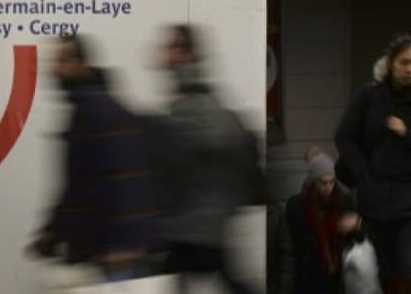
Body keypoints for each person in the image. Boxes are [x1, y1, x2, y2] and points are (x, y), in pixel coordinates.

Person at [28, 35, 171, 282]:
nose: (53, 68)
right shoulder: (88, 111)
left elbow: (128, 179)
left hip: (118, 254)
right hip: (107, 250)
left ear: (81, 64)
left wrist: (125, 246)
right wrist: (53, 233)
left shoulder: (99, 114)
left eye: (61, 60)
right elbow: (78, 186)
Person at [157, 24, 262, 294]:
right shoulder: (193, 97)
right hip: (200, 221)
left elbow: (209, 146)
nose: (165, 54)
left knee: (172, 276)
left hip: (195, 223)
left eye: (173, 47)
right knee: (227, 279)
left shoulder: (193, 102)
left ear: (189, 53)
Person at [335, 34, 411, 294]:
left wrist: (406, 133)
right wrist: (363, 173)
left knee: (405, 268)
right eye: (404, 62)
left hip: (407, 203)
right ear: (390, 63)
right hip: (373, 202)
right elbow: (344, 137)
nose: (409, 69)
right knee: (374, 270)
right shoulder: (370, 96)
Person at [280, 150, 359, 294]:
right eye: (323, 183)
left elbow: (362, 235)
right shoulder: (297, 208)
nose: (328, 187)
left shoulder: (344, 203)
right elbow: (288, 252)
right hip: (309, 276)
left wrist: (357, 223)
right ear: (313, 183)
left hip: (337, 277)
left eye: (331, 182)